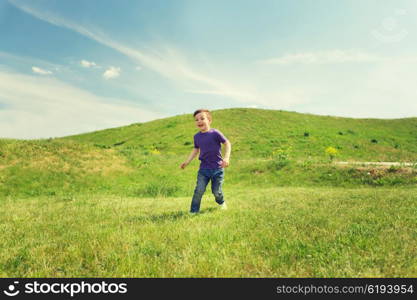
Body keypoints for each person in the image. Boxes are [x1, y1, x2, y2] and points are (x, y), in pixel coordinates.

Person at [180, 109, 232, 214]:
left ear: (209, 120)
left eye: (202, 118)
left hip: (217, 169)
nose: (199, 121)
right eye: (196, 120)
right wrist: (187, 162)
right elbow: (195, 150)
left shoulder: (215, 133)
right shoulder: (197, 137)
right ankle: (193, 211)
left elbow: (227, 143)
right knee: (199, 190)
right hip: (203, 170)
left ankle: (221, 202)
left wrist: (226, 158)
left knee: (216, 192)